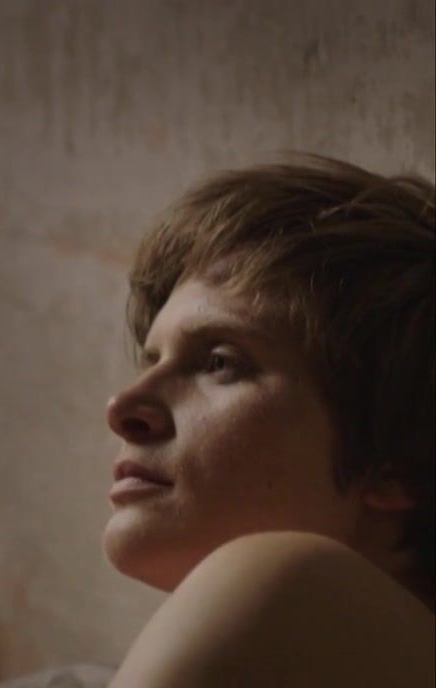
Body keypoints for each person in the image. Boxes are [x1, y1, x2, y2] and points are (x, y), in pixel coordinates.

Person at [101, 154, 434, 687]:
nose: (123, 408)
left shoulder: (286, 579)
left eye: (220, 363)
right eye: (152, 359)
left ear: (396, 464)